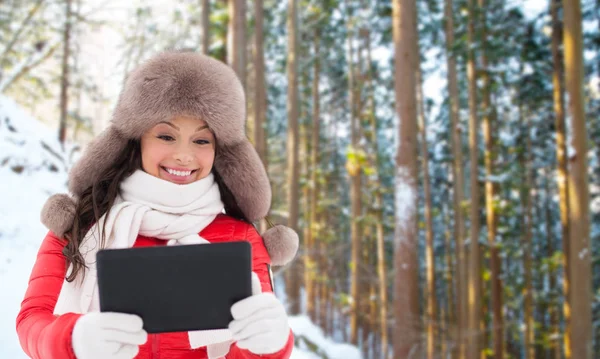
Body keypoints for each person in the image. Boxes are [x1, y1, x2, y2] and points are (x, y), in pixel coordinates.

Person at [16, 50, 299, 359]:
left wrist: (273, 343)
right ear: (137, 141)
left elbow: (252, 351)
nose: (184, 155)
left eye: (201, 141)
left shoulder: (241, 238)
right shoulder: (81, 225)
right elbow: (33, 320)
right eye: (166, 136)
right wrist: (73, 339)